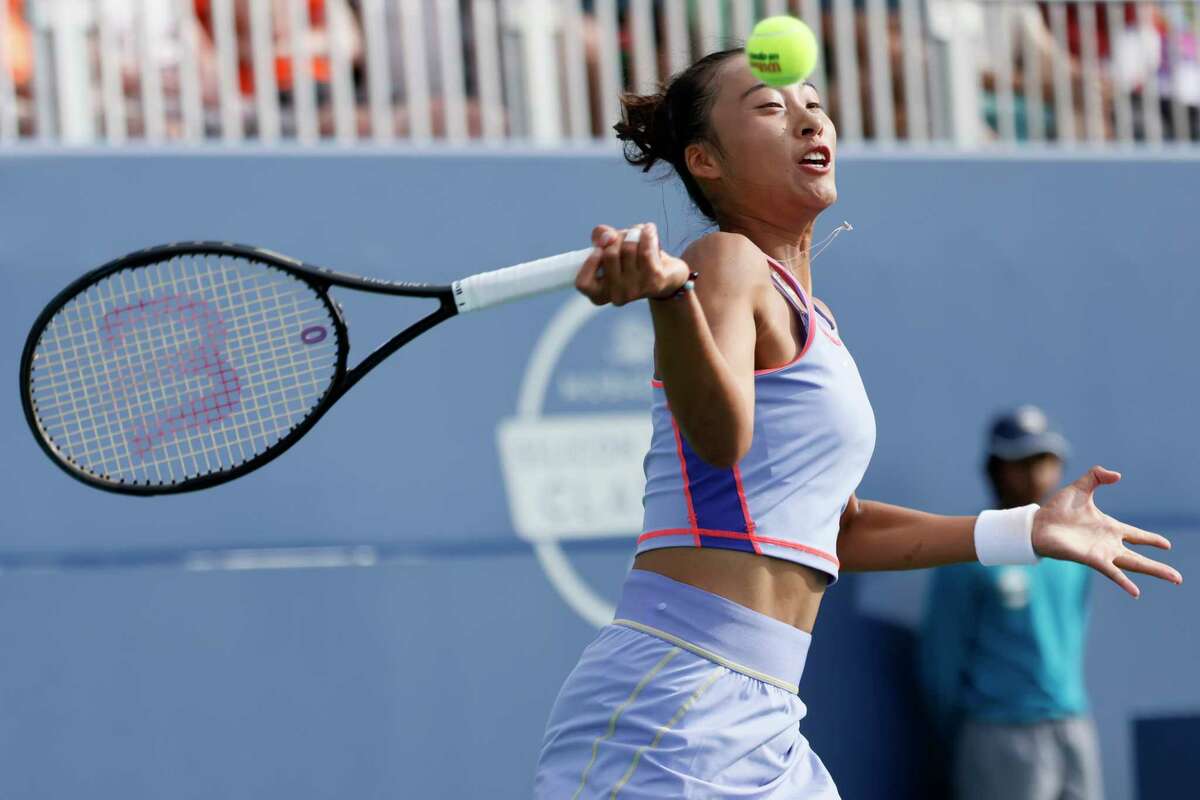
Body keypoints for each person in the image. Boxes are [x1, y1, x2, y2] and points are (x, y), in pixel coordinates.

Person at [533, 47, 1181, 798]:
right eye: (772, 108)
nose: (809, 116)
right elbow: (718, 440)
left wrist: (1023, 529)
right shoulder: (725, 260)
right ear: (705, 160)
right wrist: (672, 301)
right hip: (674, 704)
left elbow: (838, 531)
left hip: (765, 717)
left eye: (813, 101)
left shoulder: (817, 321)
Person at [920, 406, 1103, 800]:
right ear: (997, 468)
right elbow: (941, 661)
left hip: (1073, 724)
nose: (1035, 473)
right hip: (999, 733)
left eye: (1045, 460)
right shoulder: (967, 551)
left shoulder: (1074, 553)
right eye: (1021, 461)